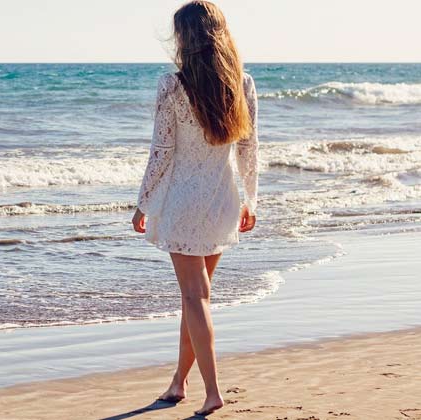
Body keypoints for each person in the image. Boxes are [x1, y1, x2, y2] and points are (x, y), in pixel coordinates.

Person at [130, 1, 259, 416]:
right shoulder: (242, 83)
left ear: (186, 37)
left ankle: (213, 392)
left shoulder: (172, 86)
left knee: (194, 297)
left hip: (183, 203)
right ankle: (178, 382)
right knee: (197, 299)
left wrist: (143, 202)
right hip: (222, 200)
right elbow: (249, 149)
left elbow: (161, 151)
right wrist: (251, 198)